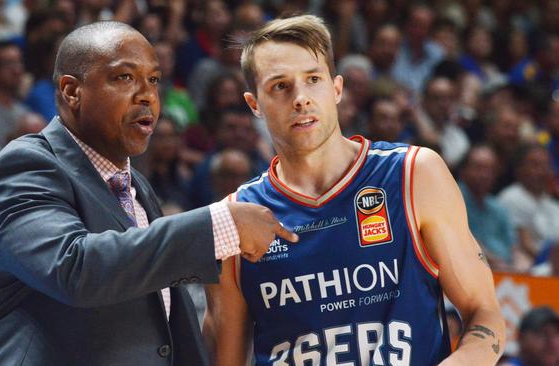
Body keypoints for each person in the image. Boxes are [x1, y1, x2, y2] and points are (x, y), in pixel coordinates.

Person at [0, 21, 297, 366]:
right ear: (72, 91)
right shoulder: (27, 165)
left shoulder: (135, 187)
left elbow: (161, 330)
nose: (147, 94)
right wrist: (216, 225)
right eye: (124, 78)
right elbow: (74, 269)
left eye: (153, 80)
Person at [204, 15, 505, 366]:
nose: (300, 98)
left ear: (336, 88)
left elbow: (486, 317)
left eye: (313, 79)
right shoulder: (234, 218)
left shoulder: (413, 174)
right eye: (280, 86)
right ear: (254, 103)